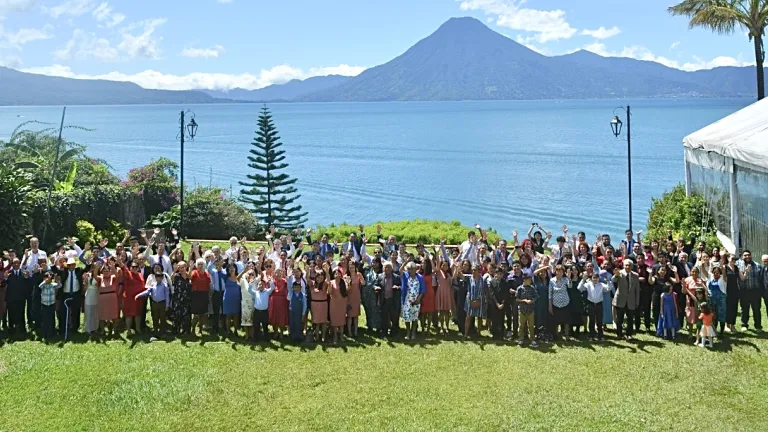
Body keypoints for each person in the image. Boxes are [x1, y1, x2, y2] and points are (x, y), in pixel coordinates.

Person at [137, 263, 172, 337]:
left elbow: (167, 296)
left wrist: (167, 305)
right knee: (155, 317)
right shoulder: (153, 284)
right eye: (157, 277)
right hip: (154, 302)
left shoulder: (165, 285)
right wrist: (138, 295)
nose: (158, 278)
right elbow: (147, 291)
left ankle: (163, 332)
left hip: (162, 303)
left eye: (160, 277)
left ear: (162, 277)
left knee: (162, 318)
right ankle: (155, 331)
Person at [612, 259, 640, 341]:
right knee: (619, 319)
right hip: (620, 299)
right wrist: (616, 275)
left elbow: (637, 290)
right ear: (623, 266)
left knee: (630, 319)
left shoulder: (635, 275)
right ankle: (619, 334)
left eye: (629, 265)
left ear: (632, 266)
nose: (627, 267)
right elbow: (613, 280)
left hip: (631, 300)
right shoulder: (619, 273)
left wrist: (637, 301)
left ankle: (629, 334)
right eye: (626, 265)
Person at [578, 272, 610, 341]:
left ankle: (600, 335)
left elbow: (609, 288)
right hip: (591, 304)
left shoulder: (601, 285)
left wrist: (608, 280)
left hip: (599, 304)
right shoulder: (588, 284)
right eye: (594, 278)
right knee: (591, 321)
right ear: (591, 278)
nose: (595, 279)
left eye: (597, 278)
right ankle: (591, 335)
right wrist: (583, 280)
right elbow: (579, 288)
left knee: (599, 321)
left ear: (599, 278)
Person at [55, 257, 83, 336]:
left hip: (75, 294)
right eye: (69, 265)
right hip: (65, 295)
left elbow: (87, 268)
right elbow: (55, 270)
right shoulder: (63, 272)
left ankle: (75, 329)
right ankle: (62, 329)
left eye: (72, 265)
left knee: (75, 312)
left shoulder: (78, 271)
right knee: (63, 312)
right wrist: (55, 261)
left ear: (75, 265)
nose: (71, 267)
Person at [737, 250, 763, 332]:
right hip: (744, 291)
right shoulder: (738, 265)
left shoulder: (757, 265)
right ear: (742, 257)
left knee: (756, 309)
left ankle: (758, 326)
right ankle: (744, 325)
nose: (747, 256)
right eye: (745, 255)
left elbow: (761, 279)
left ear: (751, 256)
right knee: (744, 309)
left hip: (755, 291)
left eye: (748, 255)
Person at [121, 259, 146, 336]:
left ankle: (138, 329)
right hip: (129, 299)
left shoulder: (140, 275)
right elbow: (124, 268)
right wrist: (119, 262)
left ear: (138, 268)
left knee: (138, 314)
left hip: (138, 299)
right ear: (130, 267)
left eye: (136, 267)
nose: (134, 268)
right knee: (129, 315)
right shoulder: (128, 274)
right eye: (133, 267)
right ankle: (128, 330)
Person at [401, 261, 425, 340]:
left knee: (415, 317)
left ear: (415, 269)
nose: (410, 271)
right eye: (409, 269)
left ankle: (413, 332)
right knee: (407, 316)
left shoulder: (420, 277)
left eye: (412, 269)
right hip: (407, 300)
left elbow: (423, 290)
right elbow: (400, 270)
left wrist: (418, 299)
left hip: (416, 300)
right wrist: (405, 262)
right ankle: (408, 332)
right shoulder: (405, 275)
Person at [249, 275, 275, 341]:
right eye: (259, 284)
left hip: (264, 312)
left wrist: (270, 281)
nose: (261, 285)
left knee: (265, 325)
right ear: (257, 286)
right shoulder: (255, 292)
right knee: (256, 325)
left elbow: (272, 287)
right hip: (257, 312)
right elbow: (249, 290)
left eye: (262, 284)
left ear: (265, 286)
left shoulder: (267, 292)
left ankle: (266, 338)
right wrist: (251, 283)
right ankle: (256, 338)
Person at [464, 264, 486, 339]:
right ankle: (465, 334)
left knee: (479, 317)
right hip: (470, 300)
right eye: (472, 270)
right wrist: (457, 267)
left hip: (480, 300)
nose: (473, 271)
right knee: (468, 317)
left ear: (479, 271)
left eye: (475, 270)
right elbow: (460, 276)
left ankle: (479, 333)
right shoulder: (469, 278)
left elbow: (485, 290)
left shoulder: (482, 279)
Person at [190, 258, 211, 336]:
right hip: (196, 295)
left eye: (201, 264)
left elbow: (209, 283)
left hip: (204, 295)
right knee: (196, 315)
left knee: (202, 314)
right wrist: (190, 269)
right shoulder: (194, 272)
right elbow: (189, 278)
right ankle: (192, 329)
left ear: (204, 265)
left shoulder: (206, 273)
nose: (200, 266)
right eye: (198, 264)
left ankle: (200, 330)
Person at [516, 274, 538, 347]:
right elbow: (517, 299)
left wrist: (532, 301)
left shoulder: (532, 288)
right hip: (522, 309)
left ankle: (532, 339)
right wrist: (524, 300)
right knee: (521, 326)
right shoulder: (520, 288)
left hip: (530, 310)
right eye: (529, 280)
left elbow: (536, 297)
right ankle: (520, 339)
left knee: (531, 326)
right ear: (524, 280)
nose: (530, 281)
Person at [434, 256, 455, 334]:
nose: (445, 266)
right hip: (441, 292)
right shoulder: (438, 272)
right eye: (443, 265)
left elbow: (453, 279)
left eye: (446, 265)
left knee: (447, 311)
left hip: (448, 293)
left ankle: (447, 326)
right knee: (441, 311)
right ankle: (442, 327)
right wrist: (437, 254)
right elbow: (437, 264)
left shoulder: (449, 274)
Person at [310, 265, 330, 342]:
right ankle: (317, 336)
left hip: (323, 304)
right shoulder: (312, 284)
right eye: (318, 277)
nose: (319, 279)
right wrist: (308, 271)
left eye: (321, 278)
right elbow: (307, 278)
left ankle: (323, 336)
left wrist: (327, 272)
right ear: (316, 277)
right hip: (314, 305)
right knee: (317, 322)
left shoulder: (325, 284)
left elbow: (328, 279)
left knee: (323, 321)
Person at [172, 262, 192, 335]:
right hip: (178, 299)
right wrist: (174, 271)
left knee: (186, 315)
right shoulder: (177, 276)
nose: (181, 269)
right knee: (177, 315)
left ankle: (186, 331)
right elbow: (171, 278)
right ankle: (176, 330)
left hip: (187, 299)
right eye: (180, 268)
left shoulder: (188, 275)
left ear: (185, 267)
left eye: (183, 267)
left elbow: (190, 278)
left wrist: (190, 269)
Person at [488, 267, 509, 339]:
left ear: (503, 274)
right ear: (495, 274)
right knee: (494, 318)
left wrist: (502, 303)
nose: (499, 275)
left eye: (501, 274)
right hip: (494, 303)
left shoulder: (505, 283)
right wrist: (497, 303)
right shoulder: (492, 282)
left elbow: (506, 293)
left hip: (502, 303)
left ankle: (501, 334)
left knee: (501, 318)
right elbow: (492, 294)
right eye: (498, 274)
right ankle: (494, 333)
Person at [38, 272, 60, 339]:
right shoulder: (43, 285)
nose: (48, 279)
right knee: (45, 319)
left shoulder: (53, 285)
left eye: (50, 278)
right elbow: (40, 286)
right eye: (46, 278)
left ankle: (52, 332)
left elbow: (60, 285)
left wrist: (57, 280)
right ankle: (45, 333)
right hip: (44, 305)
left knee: (51, 319)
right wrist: (45, 281)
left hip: (51, 305)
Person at [268, 268, 289, 339]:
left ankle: (281, 333)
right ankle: (275, 332)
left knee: (281, 317)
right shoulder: (272, 281)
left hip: (282, 302)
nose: (278, 274)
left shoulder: (285, 281)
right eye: (276, 273)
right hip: (274, 301)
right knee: (274, 317)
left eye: (280, 272)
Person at [329, 268, 348, 345]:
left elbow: (348, 290)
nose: (337, 275)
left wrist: (348, 283)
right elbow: (329, 292)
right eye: (336, 273)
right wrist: (329, 285)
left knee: (341, 319)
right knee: (334, 319)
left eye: (339, 273)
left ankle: (341, 335)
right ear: (333, 275)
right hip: (334, 303)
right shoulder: (331, 282)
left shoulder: (344, 282)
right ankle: (335, 335)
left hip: (342, 303)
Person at [345, 261, 363, 337]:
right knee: (349, 316)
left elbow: (363, 283)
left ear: (355, 267)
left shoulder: (358, 274)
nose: (351, 269)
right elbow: (347, 289)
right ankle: (349, 332)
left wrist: (361, 278)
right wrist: (348, 283)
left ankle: (355, 331)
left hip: (356, 297)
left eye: (353, 267)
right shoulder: (346, 276)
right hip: (349, 298)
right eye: (350, 267)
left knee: (356, 316)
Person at [222, 265, 242, 335]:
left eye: (233, 267)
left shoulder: (239, 277)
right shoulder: (226, 277)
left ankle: (236, 331)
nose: (231, 269)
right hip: (227, 299)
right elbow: (218, 272)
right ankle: (228, 331)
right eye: (229, 268)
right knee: (228, 316)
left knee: (236, 315)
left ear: (235, 268)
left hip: (236, 299)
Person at [239, 267, 257, 340]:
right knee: (245, 321)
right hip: (245, 303)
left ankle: (252, 336)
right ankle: (247, 335)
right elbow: (237, 278)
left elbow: (261, 276)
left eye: (252, 274)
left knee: (252, 320)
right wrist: (244, 271)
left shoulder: (255, 281)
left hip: (253, 303)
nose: (251, 275)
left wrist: (258, 269)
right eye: (249, 274)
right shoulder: (243, 281)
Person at [83, 262, 101, 335]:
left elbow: (98, 284)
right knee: (89, 312)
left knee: (95, 313)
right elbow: (85, 287)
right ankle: (88, 329)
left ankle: (95, 328)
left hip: (96, 295)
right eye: (94, 267)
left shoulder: (100, 276)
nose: (96, 268)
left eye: (97, 267)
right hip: (89, 296)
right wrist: (85, 281)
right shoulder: (88, 275)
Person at [708, 266, 727, 334]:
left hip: (721, 301)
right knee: (713, 316)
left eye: (717, 273)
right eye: (714, 272)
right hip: (712, 301)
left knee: (722, 316)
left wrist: (722, 267)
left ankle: (722, 331)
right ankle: (714, 330)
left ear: (720, 273)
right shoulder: (711, 279)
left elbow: (724, 273)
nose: (715, 274)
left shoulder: (723, 279)